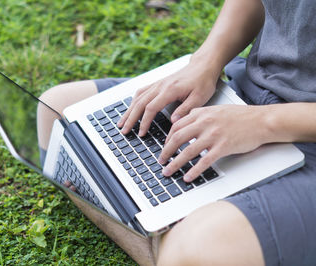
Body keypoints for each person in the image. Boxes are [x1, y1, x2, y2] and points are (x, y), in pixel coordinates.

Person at [38, 0, 316, 264]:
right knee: (57, 111)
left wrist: (261, 123)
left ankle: (138, 221)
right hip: (248, 90)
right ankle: (160, 231)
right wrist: (206, 61)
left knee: (194, 252)